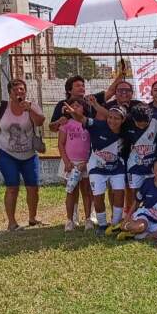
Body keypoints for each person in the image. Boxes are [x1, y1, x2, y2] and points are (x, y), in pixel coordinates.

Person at [0, 79, 45, 231]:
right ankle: (12, 222)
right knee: (12, 187)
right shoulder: (2, 108)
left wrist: (30, 109)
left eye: (22, 89)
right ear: (10, 93)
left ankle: (32, 218)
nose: (19, 92)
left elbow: (41, 121)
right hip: (7, 153)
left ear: (25, 91)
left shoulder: (31, 105)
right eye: (15, 90)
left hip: (29, 154)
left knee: (33, 187)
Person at [63, 102, 127, 234]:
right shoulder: (98, 125)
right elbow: (82, 119)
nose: (112, 121)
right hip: (97, 168)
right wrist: (73, 113)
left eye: (117, 118)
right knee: (98, 197)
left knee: (120, 194)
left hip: (117, 167)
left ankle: (115, 224)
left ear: (123, 120)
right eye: (110, 117)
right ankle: (102, 225)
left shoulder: (127, 130)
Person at [115, 157, 157, 242]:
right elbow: (137, 202)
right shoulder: (147, 183)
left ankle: (139, 235)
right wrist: (127, 218)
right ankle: (123, 227)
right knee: (140, 226)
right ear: (153, 171)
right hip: (145, 216)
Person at [57, 98, 93, 231]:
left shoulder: (88, 123)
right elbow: (60, 143)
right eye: (72, 106)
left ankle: (88, 219)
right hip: (70, 164)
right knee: (71, 191)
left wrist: (87, 161)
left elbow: (93, 144)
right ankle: (70, 220)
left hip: (85, 163)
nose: (74, 108)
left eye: (78, 106)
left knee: (87, 191)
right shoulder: (66, 124)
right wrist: (66, 161)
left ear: (84, 108)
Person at [124, 104, 157, 213]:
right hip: (134, 166)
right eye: (138, 124)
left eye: (144, 125)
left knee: (154, 190)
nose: (141, 127)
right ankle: (132, 215)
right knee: (134, 192)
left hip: (152, 166)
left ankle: (152, 213)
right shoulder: (127, 122)